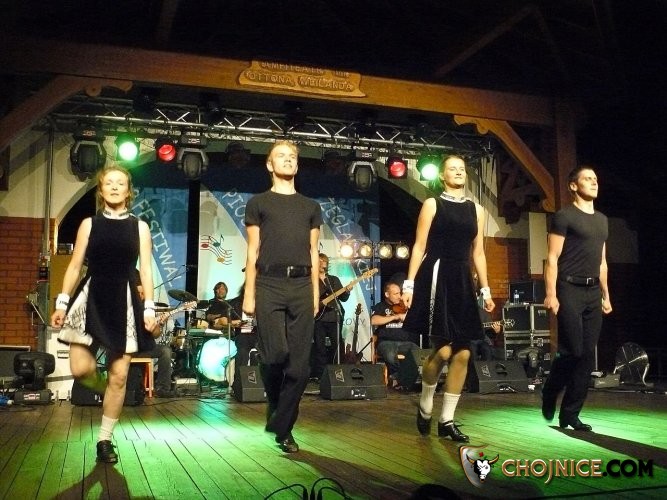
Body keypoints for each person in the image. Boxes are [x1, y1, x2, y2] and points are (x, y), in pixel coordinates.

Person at [50, 165, 157, 463]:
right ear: (101, 190)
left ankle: (105, 439)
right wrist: (62, 303)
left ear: (128, 191)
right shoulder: (89, 224)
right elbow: (75, 266)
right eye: (109, 183)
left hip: (125, 300)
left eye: (120, 183)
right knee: (81, 369)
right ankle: (102, 387)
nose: (114, 187)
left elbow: (146, 270)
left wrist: (149, 307)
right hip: (92, 296)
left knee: (119, 376)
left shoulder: (140, 227)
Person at [402, 155, 495, 442]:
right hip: (436, 275)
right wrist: (408, 284)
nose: (458, 172)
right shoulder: (433, 204)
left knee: (464, 353)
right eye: (452, 169)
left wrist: (486, 289)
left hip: (462, 279)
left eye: (462, 169)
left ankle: (447, 420)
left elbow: (478, 252)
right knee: (442, 352)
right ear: (442, 176)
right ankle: (425, 403)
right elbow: (419, 246)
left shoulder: (476, 210)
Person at [242, 140, 322, 453]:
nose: (287, 160)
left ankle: (283, 426)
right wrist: (249, 293)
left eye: (292, 157)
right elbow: (253, 250)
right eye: (281, 156)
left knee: (300, 369)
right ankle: (277, 407)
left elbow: (313, 252)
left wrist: (315, 292)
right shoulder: (258, 203)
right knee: (274, 355)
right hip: (269, 283)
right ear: (269, 164)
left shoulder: (310, 206)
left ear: (297, 165)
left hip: (301, 285)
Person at [541, 165, 612, 431]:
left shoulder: (602, 220)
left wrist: (606, 294)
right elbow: (552, 257)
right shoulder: (564, 216)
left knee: (587, 356)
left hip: (593, 292)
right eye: (587, 178)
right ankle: (550, 390)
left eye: (595, 178)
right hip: (569, 288)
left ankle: (570, 414)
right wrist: (551, 293)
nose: (594, 182)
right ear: (573, 185)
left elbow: (602, 262)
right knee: (573, 349)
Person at [132, 274, 176, 398]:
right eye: (138, 293)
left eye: (143, 293)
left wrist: (158, 324)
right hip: (128, 348)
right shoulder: (127, 307)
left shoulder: (147, 310)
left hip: (144, 348)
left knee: (165, 350)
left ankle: (162, 388)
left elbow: (156, 335)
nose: (141, 296)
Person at [371, 282, 420, 388]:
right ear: (387, 294)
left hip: (405, 342)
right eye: (396, 294)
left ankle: (397, 377)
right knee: (390, 355)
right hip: (386, 342)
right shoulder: (380, 307)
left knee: (418, 353)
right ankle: (401, 379)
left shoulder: (405, 306)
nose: (399, 296)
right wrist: (395, 317)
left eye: (400, 293)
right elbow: (373, 320)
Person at [311, 253, 349, 380]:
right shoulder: (311, 280)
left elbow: (343, 298)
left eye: (324, 261)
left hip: (334, 317)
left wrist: (347, 291)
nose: (323, 263)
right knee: (320, 347)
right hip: (319, 318)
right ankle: (321, 375)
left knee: (337, 346)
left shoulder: (333, 280)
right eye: (320, 261)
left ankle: (338, 374)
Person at [469, 273, 501, 361]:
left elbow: (489, 333)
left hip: (481, 340)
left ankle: (487, 369)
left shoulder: (482, 311)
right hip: (467, 341)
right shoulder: (460, 310)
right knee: (472, 349)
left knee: (486, 349)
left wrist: (496, 331)